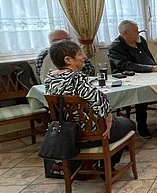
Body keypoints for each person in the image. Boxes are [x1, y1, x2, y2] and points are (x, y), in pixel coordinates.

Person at [44, 40, 135, 168]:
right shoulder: (77, 79)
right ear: (68, 60)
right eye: (80, 54)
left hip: (65, 135)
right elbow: (99, 100)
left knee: (115, 123)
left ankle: (95, 164)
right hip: (88, 134)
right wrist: (108, 118)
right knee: (129, 124)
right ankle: (106, 166)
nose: (85, 57)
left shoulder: (50, 79)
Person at [108, 20, 157, 138]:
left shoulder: (141, 41)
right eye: (135, 31)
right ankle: (141, 126)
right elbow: (125, 65)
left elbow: (149, 58)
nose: (139, 32)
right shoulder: (116, 47)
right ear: (125, 33)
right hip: (129, 79)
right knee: (142, 93)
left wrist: (154, 67)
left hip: (149, 74)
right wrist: (150, 68)